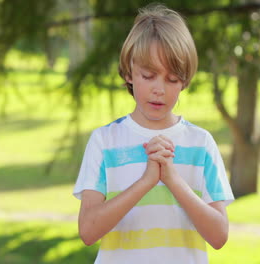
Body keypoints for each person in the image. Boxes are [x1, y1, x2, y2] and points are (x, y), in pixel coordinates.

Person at [73, 3, 234, 264]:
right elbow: (88, 230)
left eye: (172, 79)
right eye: (148, 75)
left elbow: (219, 236)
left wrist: (171, 179)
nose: (159, 89)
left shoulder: (201, 143)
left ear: (184, 81)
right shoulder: (104, 141)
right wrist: (147, 181)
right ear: (128, 73)